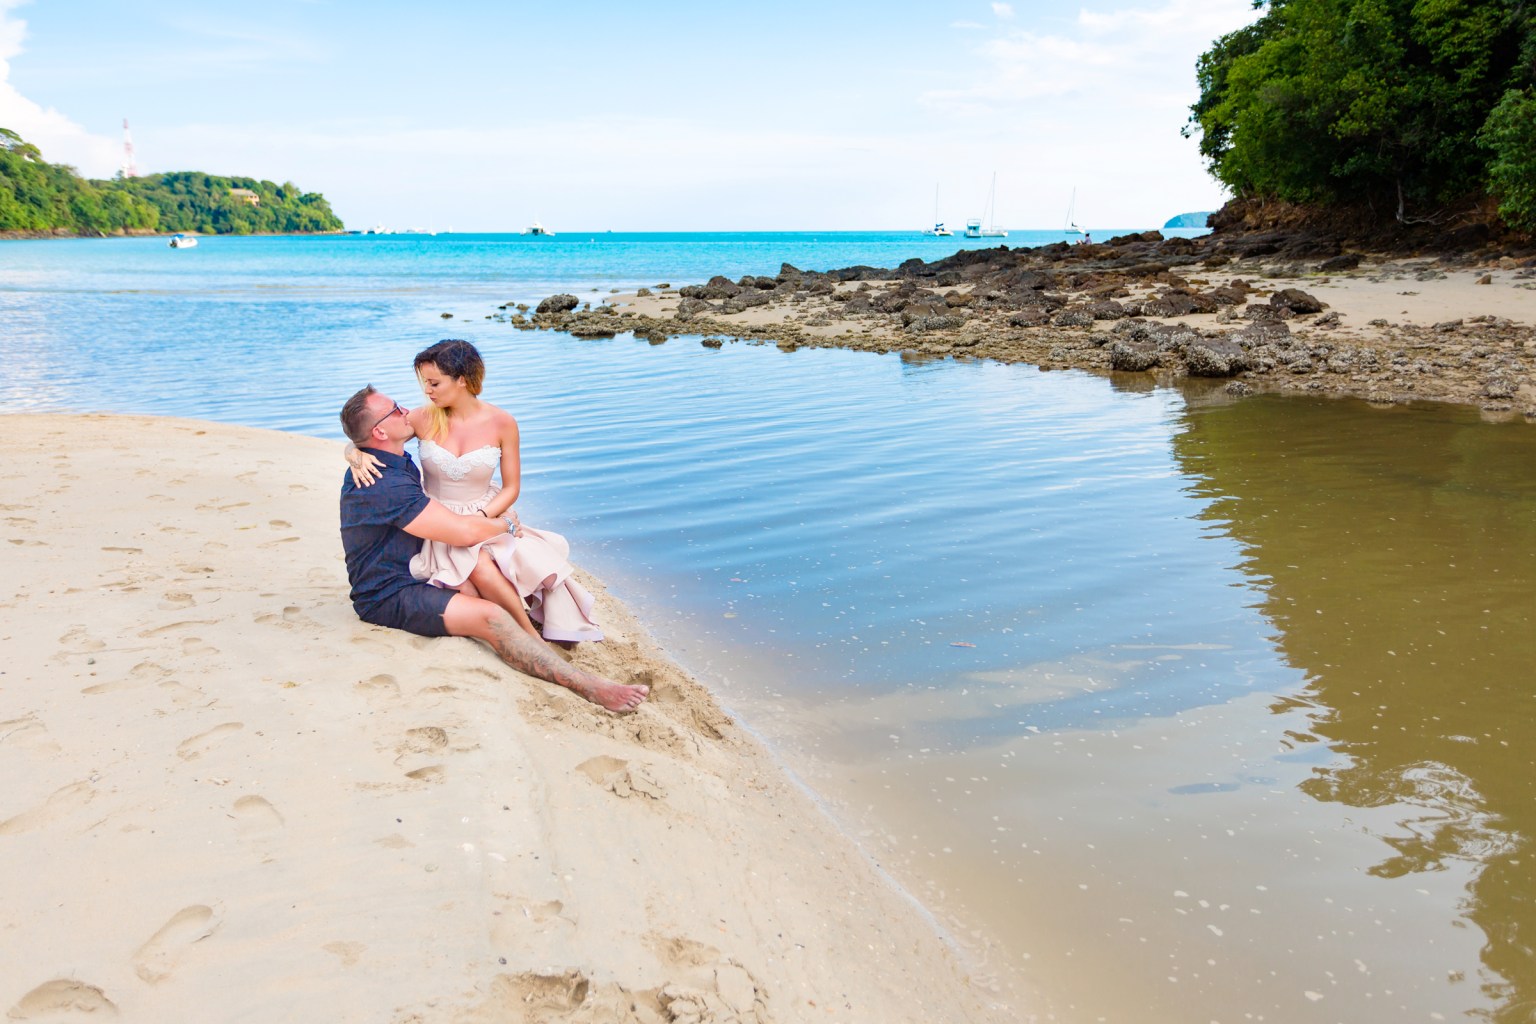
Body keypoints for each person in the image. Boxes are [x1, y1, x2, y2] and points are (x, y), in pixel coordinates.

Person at [338, 385, 648, 713]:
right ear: (380, 431)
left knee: (479, 574)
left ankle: (534, 630)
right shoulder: (382, 484)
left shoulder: (389, 460)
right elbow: (462, 532)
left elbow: (364, 436)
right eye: (396, 409)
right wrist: (507, 523)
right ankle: (587, 685)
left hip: (420, 566)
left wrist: (352, 450)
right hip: (389, 594)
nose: (405, 410)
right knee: (492, 617)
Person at [347, 340, 603, 645]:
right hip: (437, 517)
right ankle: (525, 634)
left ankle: (528, 627)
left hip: (486, 510)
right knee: (478, 564)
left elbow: (512, 487)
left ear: (462, 380)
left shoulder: (502, 422)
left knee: (488, 560)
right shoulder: (422, 417)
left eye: (434, 383)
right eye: (424, 383)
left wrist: (484, 517)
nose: (427, 391)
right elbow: (371, 434)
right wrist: (353, 454)